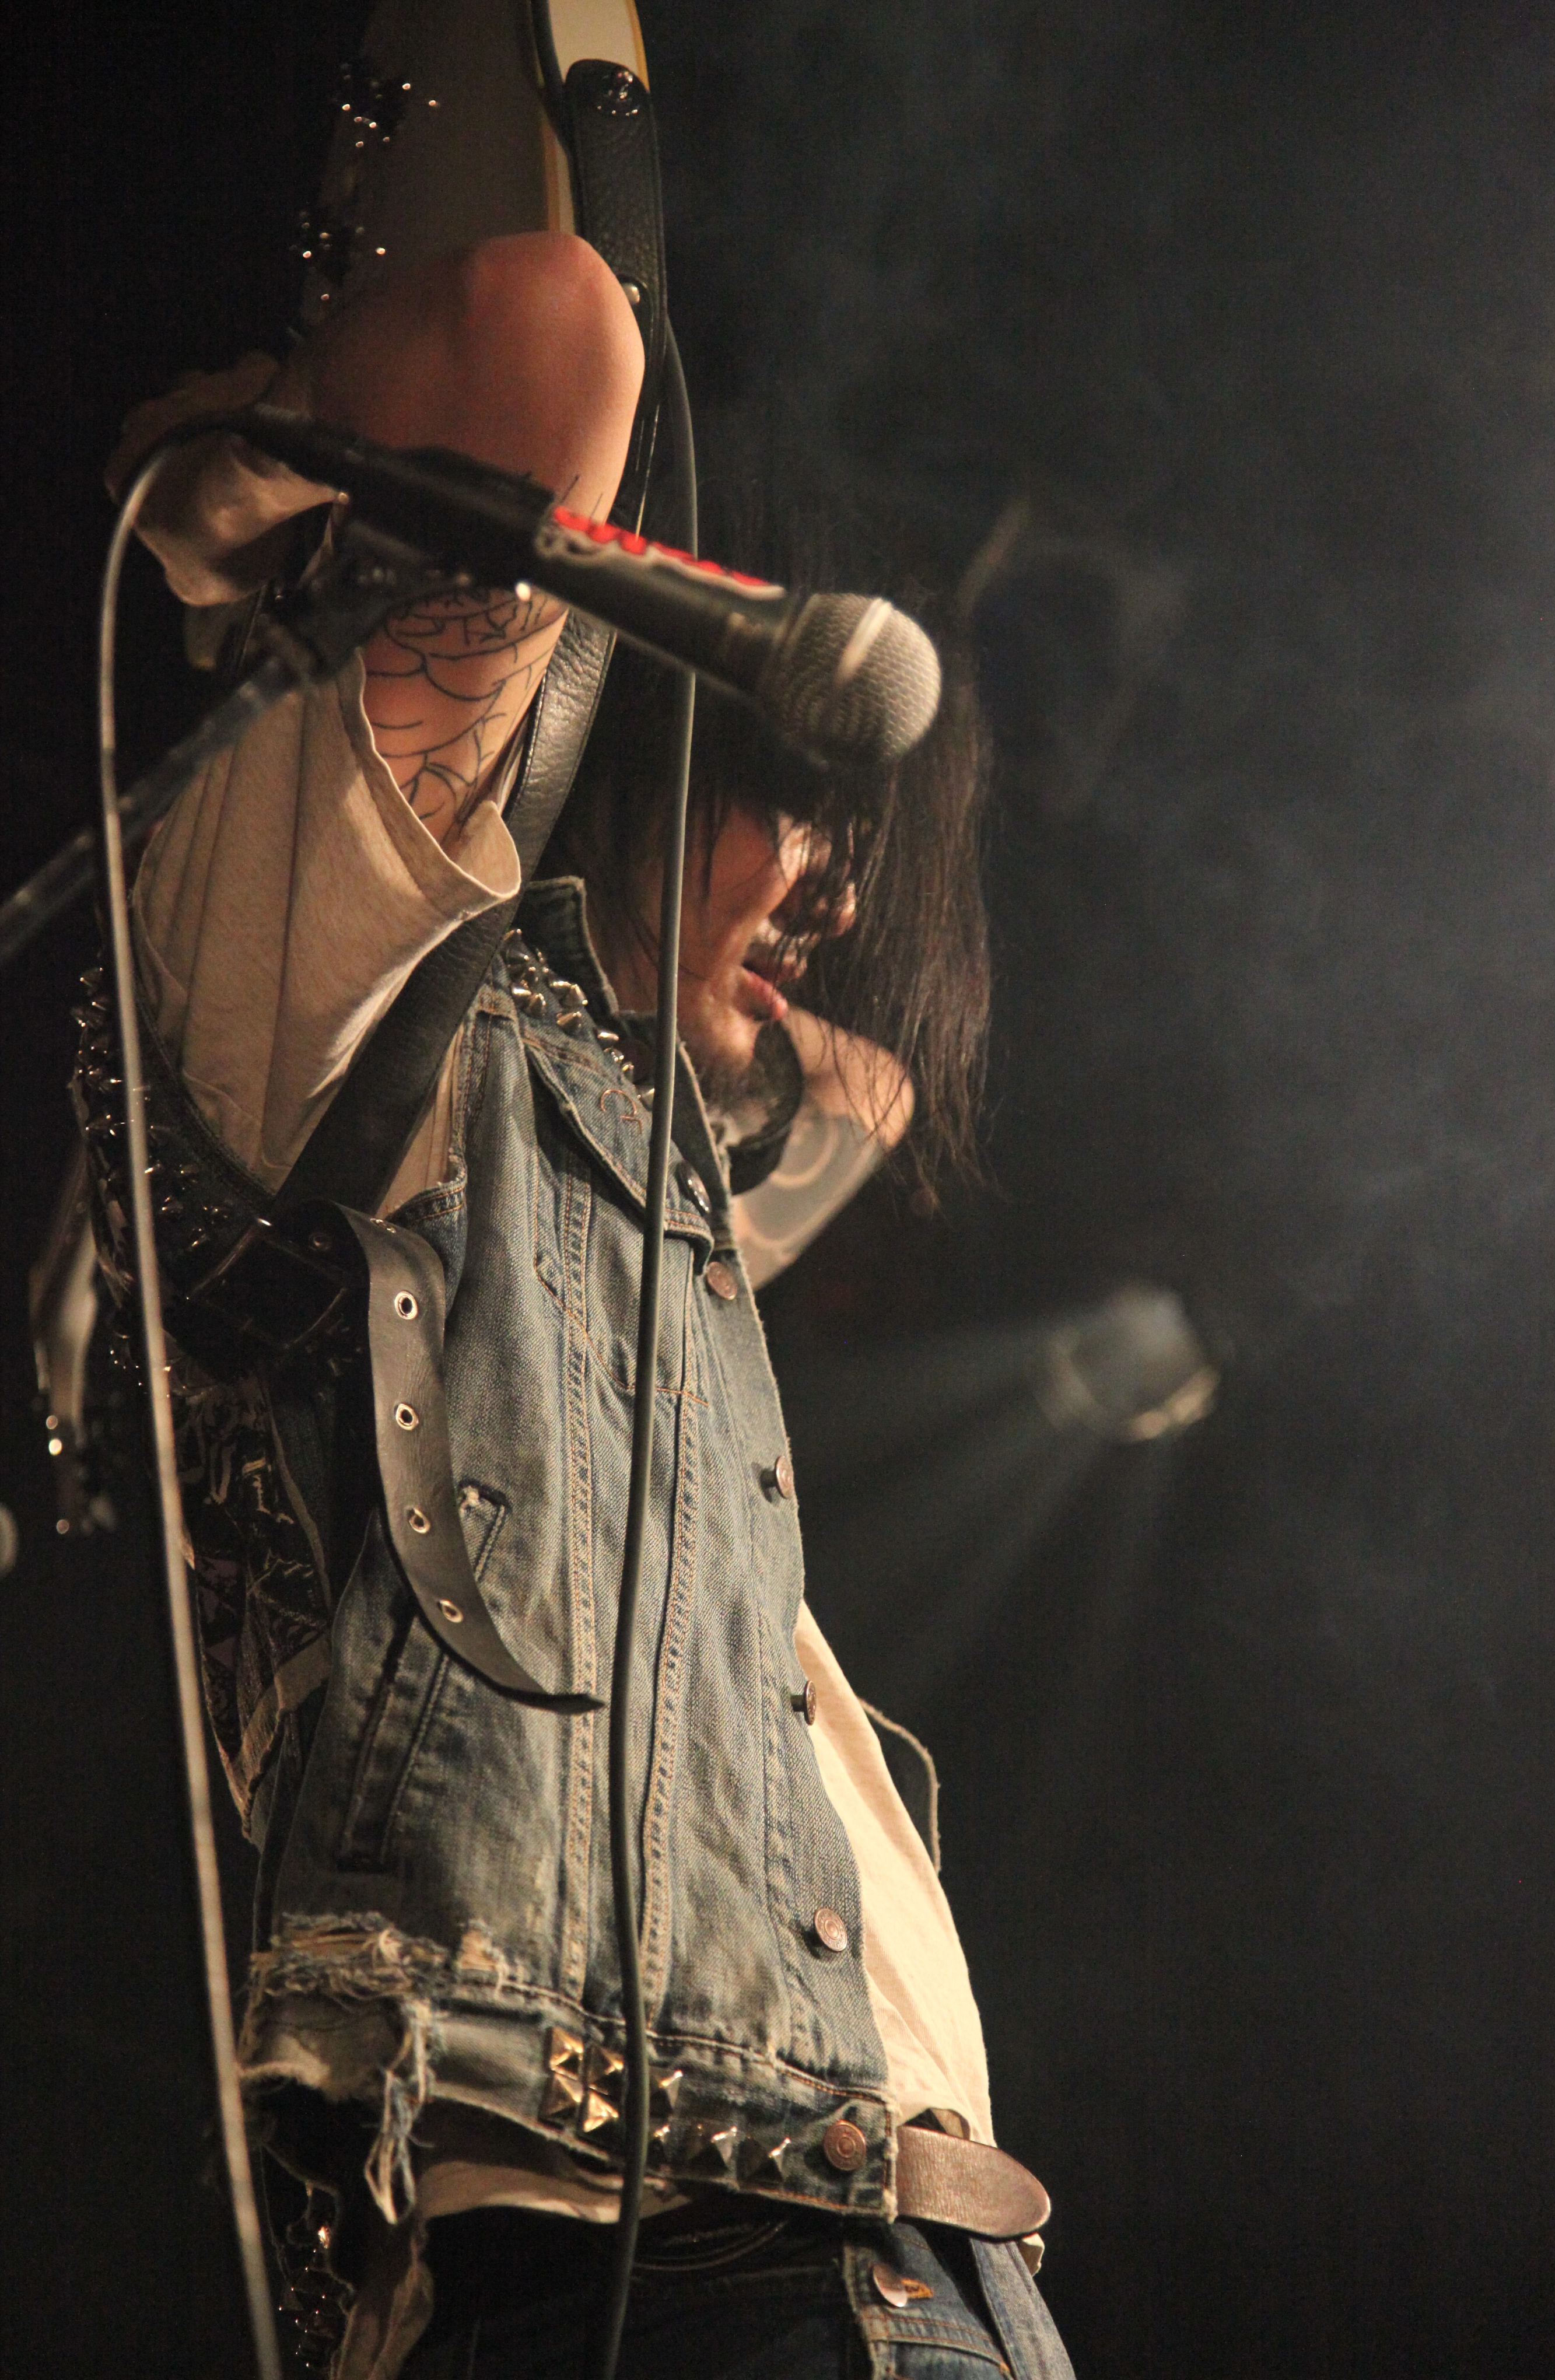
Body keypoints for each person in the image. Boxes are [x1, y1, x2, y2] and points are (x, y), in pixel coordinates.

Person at [89, 227, 1074, 2380]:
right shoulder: (349, 969)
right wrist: (290, 443)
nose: (838, 884)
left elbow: (862, 1101)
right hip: (690, 2269)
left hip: (907, 2284)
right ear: (629, 726)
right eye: (796, 796)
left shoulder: (637, 1161)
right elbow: (539, 321)